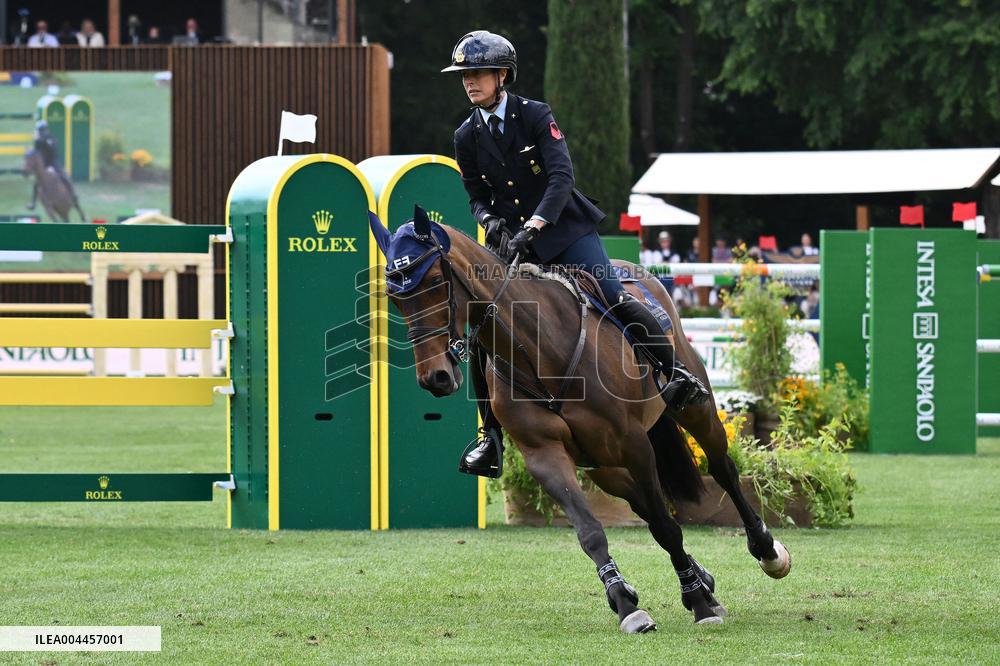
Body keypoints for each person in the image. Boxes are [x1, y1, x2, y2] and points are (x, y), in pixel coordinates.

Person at [445, 30, 708, 477]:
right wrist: (490, 223)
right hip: (509, 240)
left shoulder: (535, 116)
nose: (470, 82)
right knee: (483, 328)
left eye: (478, 74)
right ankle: (489, 435)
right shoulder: (466, 135)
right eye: (464, 75)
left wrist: (536, 224)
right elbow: (476, 194)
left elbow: (560, 177)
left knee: (613, 294)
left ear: (502, 75)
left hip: (563, 230)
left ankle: (673, 376)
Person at [26, 120, 75, 211]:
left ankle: (73, 196)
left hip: (53, 162)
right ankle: (33, 202)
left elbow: (53, 151)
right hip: (44, 164)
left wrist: (50, 165)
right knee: (37, 183)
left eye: (41, 130)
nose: (41, 132)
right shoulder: (38, 141)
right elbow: (36, 151)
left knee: (64, 177)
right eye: (39, 131)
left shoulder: (50, 139)